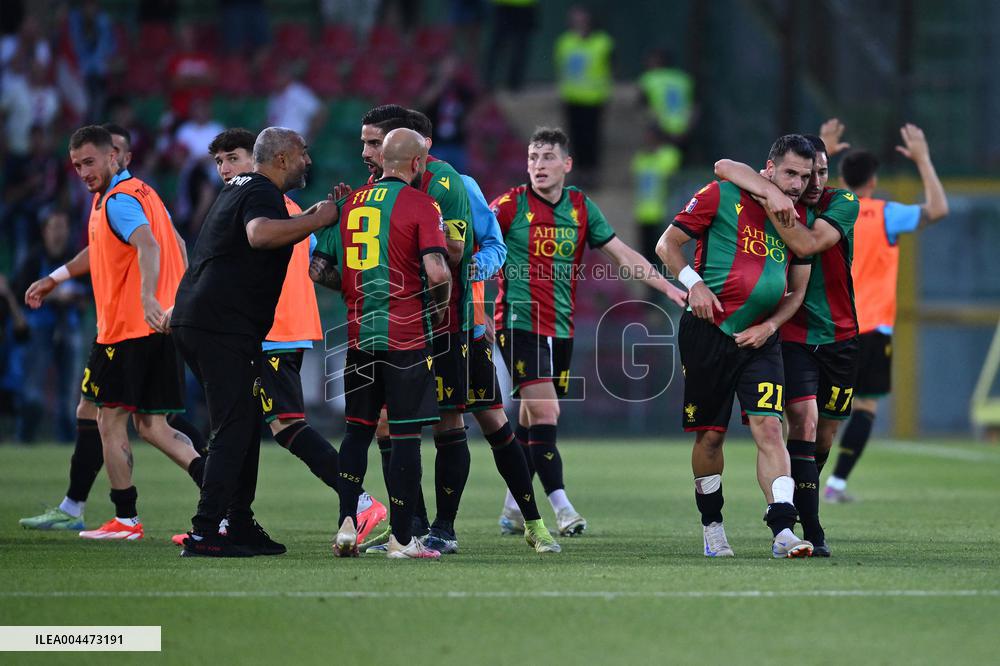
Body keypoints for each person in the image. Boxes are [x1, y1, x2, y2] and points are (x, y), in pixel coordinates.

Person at [168, 127, 386, 548]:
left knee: (248, 424)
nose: (309, 160)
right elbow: (259, 235)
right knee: (238, 427)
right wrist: (318, 219)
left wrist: (318, 219)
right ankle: (208, 530)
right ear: (283, 158)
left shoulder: (240, 189)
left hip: (211, 323)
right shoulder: (264, 191)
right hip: (223, 328)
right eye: (303, 153)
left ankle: (240, 524)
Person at [493, 127, 686, 537]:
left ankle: (512, 507)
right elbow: (477, 243)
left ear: (567, 164)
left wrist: (668, 286)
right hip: (517, 321)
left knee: (531, 419)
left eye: (547, 157)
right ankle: (562, 509)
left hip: (560, 328)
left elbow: (622, 255)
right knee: (547, 413)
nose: (538, 165)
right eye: (532, 157)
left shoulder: (581, 207)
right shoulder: (510, 205)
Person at [18, 123, 207, 532]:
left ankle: (124, 517)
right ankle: (222, 495)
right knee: (155, 427)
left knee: (108, 420)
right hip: (157, 329)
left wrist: (147, 297)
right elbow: (145, 243)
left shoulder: (119, 200)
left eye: (89, 162)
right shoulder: (140, 193)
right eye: (76, 165)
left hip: (128, 331)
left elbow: (149, 244)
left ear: (113, 157)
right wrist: (57, 277)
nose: (84, 172)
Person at [657, 134, 816, 559]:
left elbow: (796, 294)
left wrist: (770, 326)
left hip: (760, 340)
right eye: (790, 173)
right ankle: (712, 526)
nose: (797, 183)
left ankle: (783, 529)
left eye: (804, 175)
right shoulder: (722, 194)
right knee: (710, 436)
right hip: (707, 333)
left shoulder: (799, 222)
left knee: (769, 428)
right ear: (769, 169)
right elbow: (666, 245)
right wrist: (695, 288)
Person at [714, 133, 861, 557]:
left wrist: (776, 204)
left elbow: (807, 244)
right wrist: (766, 189)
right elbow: (724, 165)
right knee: (804, 423)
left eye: (820, 171)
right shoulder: (778, 192)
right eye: (804, 171)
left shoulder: (842, 204)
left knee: (823, 439)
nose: (812, 180)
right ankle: (807, 528)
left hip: (840, 335)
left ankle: (798, 499)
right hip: (792, 335)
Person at [310, 128, 452, 560]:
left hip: (358, 337)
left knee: (356, 433)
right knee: (406, 438)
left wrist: (357, 290)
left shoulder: (349, 203)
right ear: (414, 162)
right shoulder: (421, 203)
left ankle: (347, 525)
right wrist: (440, 308)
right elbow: (439, 271)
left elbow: (320, 270)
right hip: (406, 338)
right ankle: (403, 540)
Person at [822, 121, 949, 502]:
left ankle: (798, 485)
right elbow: (939, 209)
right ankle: (836, 485)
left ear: (842, 178)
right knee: (865, 405)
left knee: (814, 411)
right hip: (873, 327)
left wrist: (822, 153)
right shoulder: (885, 214)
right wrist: (923, 160)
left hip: (829, 326)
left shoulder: (829, 208)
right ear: (873, 181)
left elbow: (795, 198)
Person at [12, 210, 87, 442]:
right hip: (40, 328)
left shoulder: (75, 257)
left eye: (62, 227)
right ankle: (24, 438)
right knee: (33, 389)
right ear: (45, 231)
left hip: (69, 327)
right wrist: (55, 297)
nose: (58, 232)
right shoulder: (34, 259)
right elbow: (19, 292)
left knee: (69, 393)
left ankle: (66, 442)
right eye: (54, 227)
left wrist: (75, 297)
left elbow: (90, 293)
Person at [553, 6, 613, 189]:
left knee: (592, 137)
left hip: (594, 98)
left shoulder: (602, 42)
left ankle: (592, 174)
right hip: (572, 97)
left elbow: (610, 66)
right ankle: (577, 172)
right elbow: (561, 68)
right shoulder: (565, 42)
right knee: (574, 137)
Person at [631, 125, 682, 270]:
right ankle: (651, 290)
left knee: (664, 258)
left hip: (664, 216)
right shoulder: (640, 159)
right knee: (647, 259)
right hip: (644, 215)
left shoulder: (669, 156)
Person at [484, 0, 538, 92]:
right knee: (497, 45)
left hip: (526, 6)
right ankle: (487, 81)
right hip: (504, 6)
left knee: (520, 46)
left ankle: (515, 84)